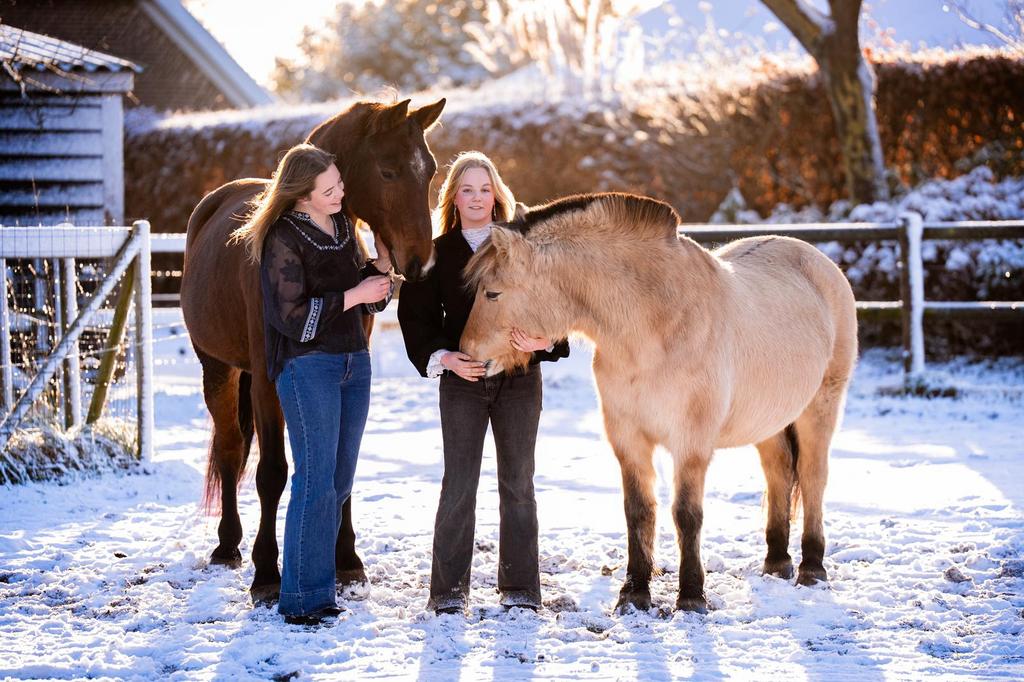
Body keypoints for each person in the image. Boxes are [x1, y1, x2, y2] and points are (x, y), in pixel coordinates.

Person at [398, 151, 569, 615]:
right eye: (467, 189)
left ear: (497, 194)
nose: (477, 197)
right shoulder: (434, 253)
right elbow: (415, 320)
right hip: (462, 383)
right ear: (454, 196)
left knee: (518, 484)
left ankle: (519, 590)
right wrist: (446, 358)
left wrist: (544, 340)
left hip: (519, 381)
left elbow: (558, 311)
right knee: (459, 484)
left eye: (485, 188)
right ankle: (448, 592)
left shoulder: (524, 247)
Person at [231, 143, 393, 626]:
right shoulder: (282, 238)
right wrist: (356, 293)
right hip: (307, 367)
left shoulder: (344, 227)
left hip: (353, 363)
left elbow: (367, 300)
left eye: (340, 182)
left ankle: (315, 587)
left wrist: (379, 271)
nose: (342, 191)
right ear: (303, 195)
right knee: (315, 479)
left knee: (338, 481)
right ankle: (304, 597)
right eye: (331, 187)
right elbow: (291, 318)